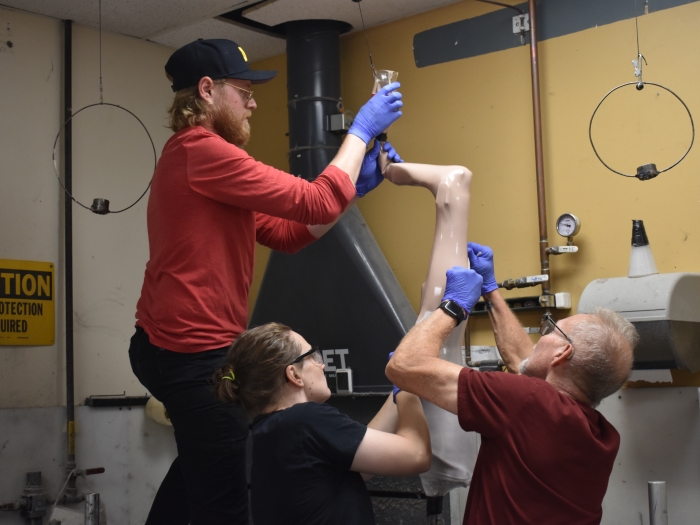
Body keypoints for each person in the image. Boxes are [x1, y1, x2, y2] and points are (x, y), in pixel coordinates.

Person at [128, 38, 403, 525]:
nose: (254, 101)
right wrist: (360, 131)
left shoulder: (205, 161)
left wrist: (350, 193)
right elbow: (314, 201)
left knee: (204, 470)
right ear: (208, 91)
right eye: (245, 90)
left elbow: (287, 234)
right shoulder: (202, 150)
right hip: (192, 356)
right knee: (225, 501)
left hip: (181, 350)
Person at [386, 242, 638, 525]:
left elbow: (404, 365)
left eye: (550, 329)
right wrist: (491, 291)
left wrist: (453, 305)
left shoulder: (527, 399)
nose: (540, 338)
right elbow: (524, 361)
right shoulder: (601, 436)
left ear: (562, 353)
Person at [212, 322, 431, 525]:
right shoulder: (306, 419)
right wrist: (408, 386)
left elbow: (359, 456)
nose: (322, 364)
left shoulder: (273, 429)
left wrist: (399, 386)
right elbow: (417, 456)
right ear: (294, 374)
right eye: (313, 356)